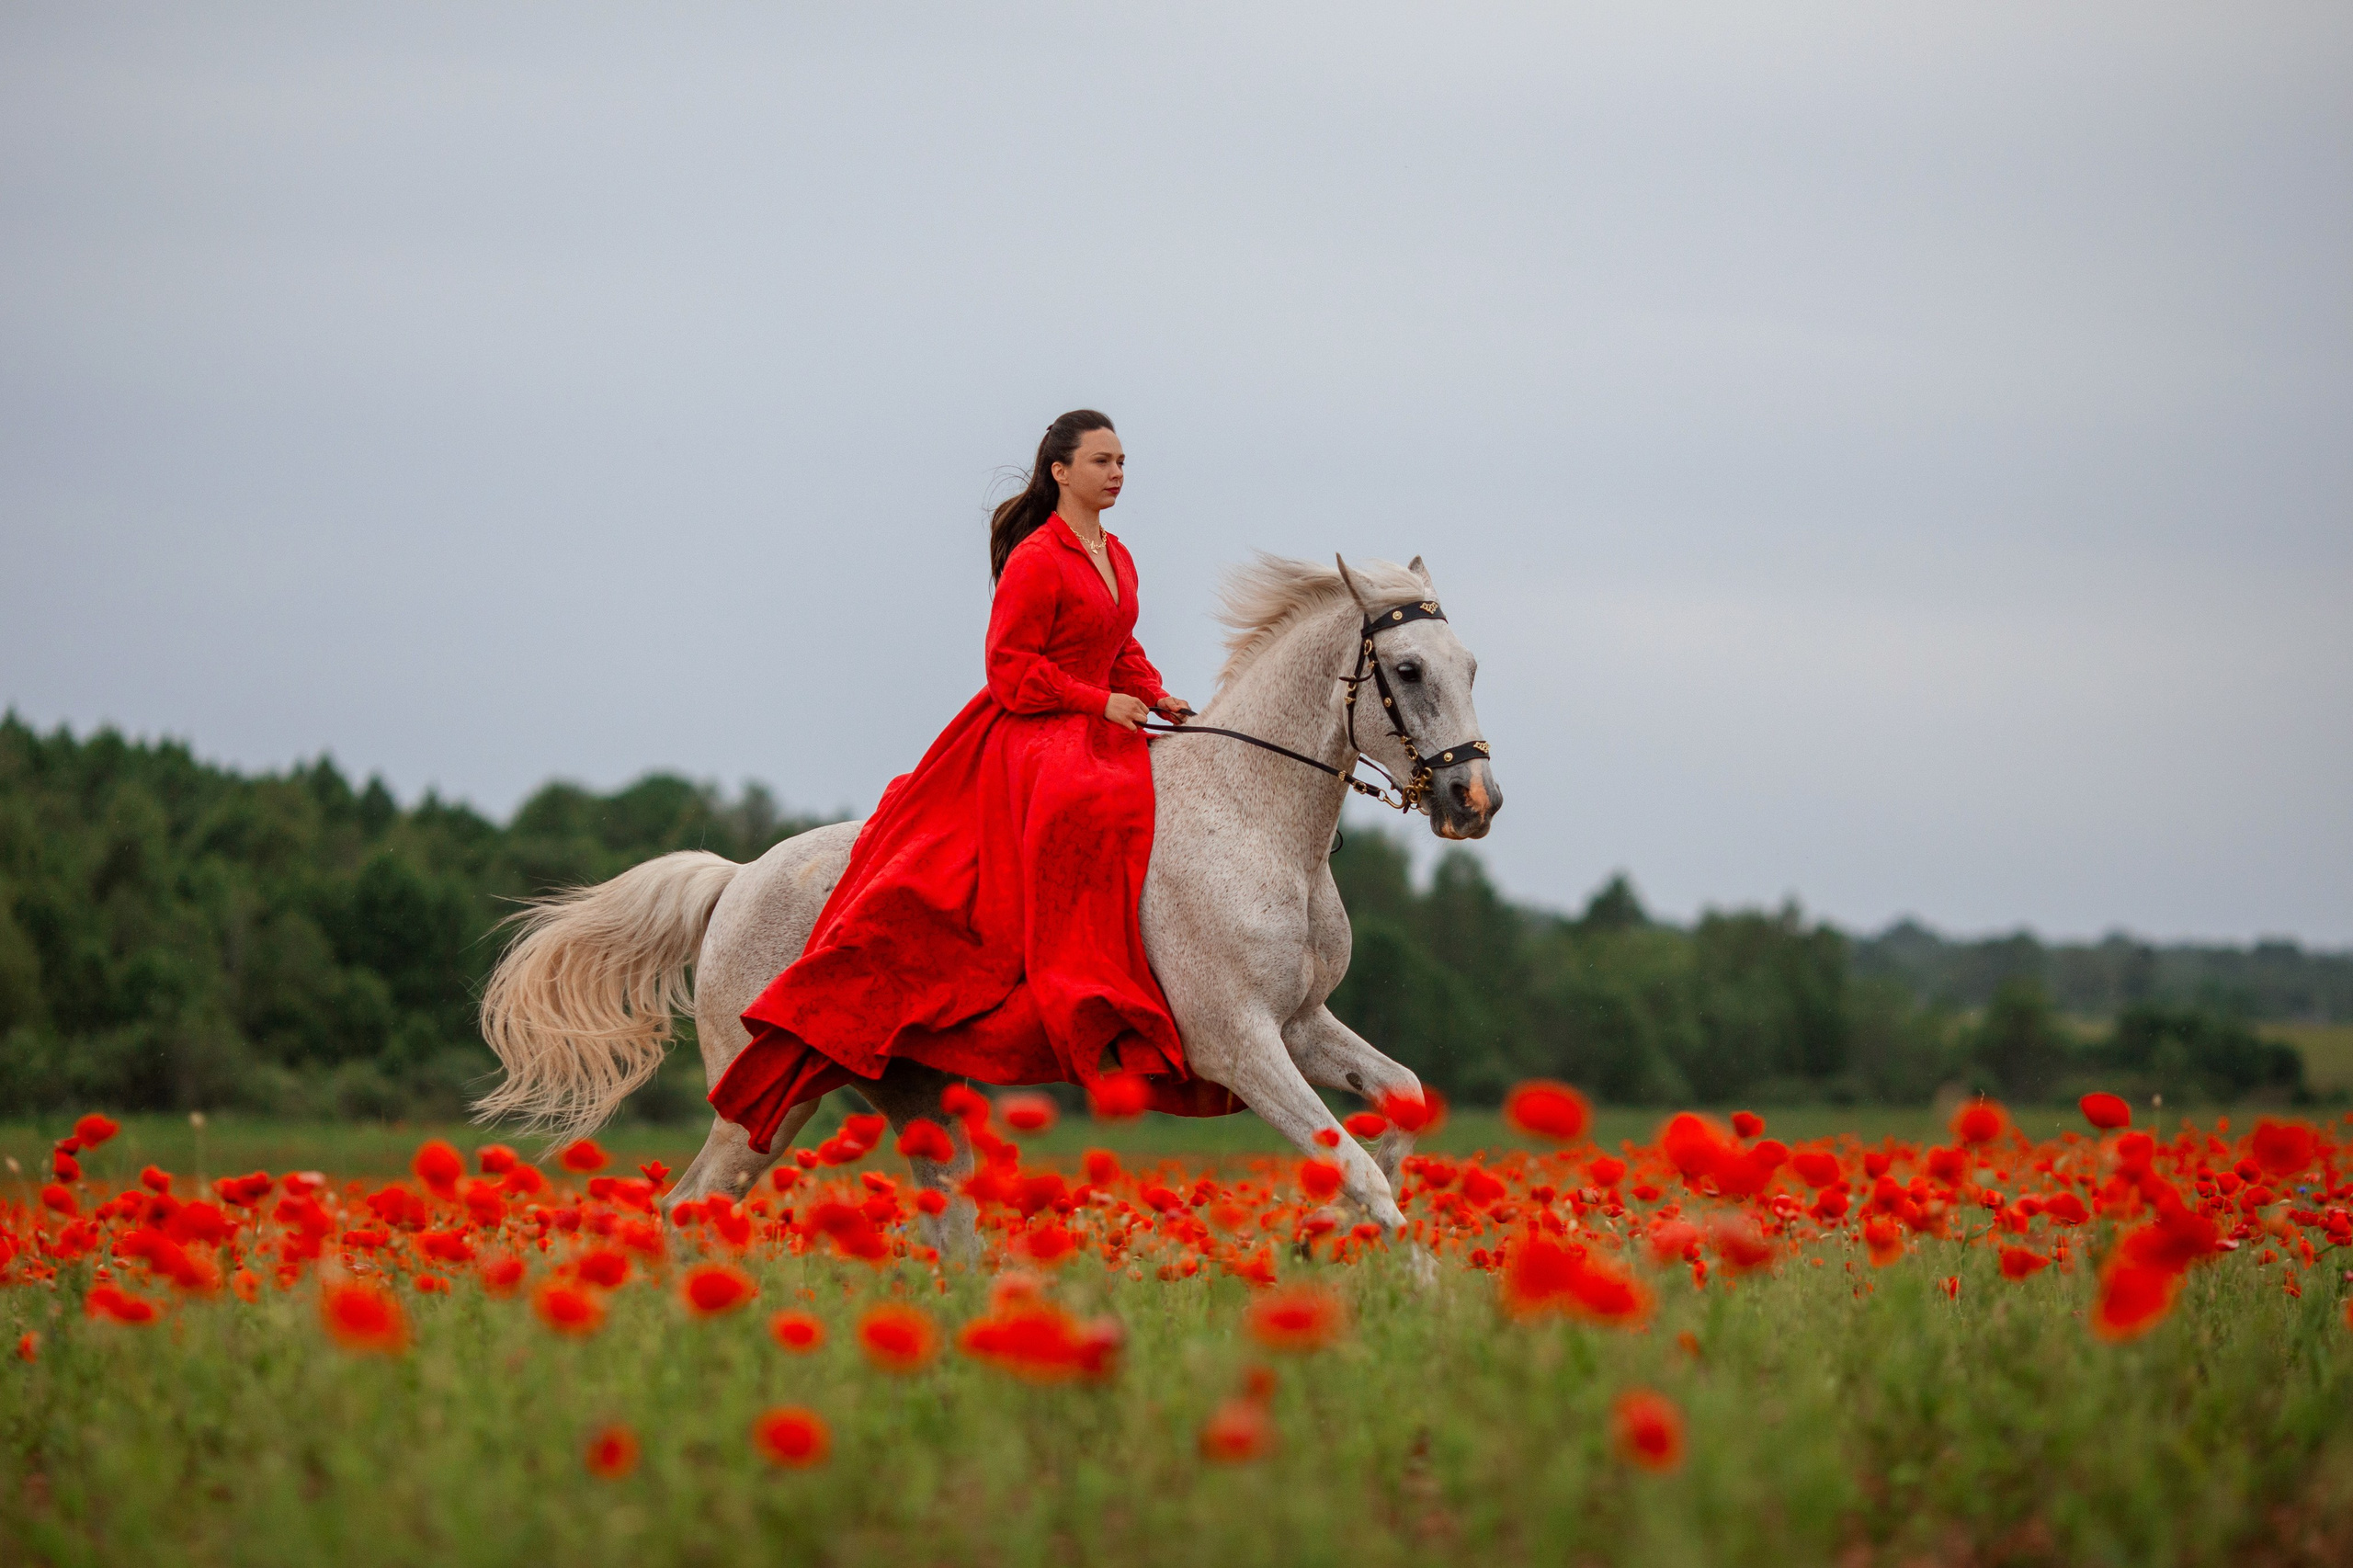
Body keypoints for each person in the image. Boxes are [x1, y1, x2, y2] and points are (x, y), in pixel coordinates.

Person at [709, 410, 1240, 1152]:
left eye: (1123, 461)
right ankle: (1080, 986)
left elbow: (1119, 645)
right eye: (1102, 461)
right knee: (1087, 801)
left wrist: (1155, 694)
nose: (1117, 474)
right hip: (1033, 727)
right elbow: (1010, 667)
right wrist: (1097, 702)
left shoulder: (1116, 552)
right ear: (1060, 471)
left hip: (1098, 719)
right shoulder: (1036, 556)